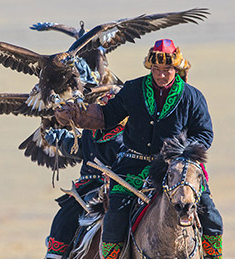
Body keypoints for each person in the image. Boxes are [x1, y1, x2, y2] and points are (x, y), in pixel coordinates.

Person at [54, 39, 223, 259]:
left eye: (167, 70)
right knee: (115, 215)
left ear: (177, 68)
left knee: (210, 215)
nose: (161, 75)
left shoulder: (192, 96)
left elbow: (204, 134)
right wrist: (77, 114)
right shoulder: (133, 89)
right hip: (133, 164)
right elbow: (107, 116)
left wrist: (182, 154)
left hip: (177, 167)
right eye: (156, 69)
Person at [43, 95, 126, 259]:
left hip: (119, 185)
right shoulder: (91, 130)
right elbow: (80, 147)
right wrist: (60, 139)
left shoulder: (128, 133)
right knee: (64, 218)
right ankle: (55, 255)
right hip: (86, 187)